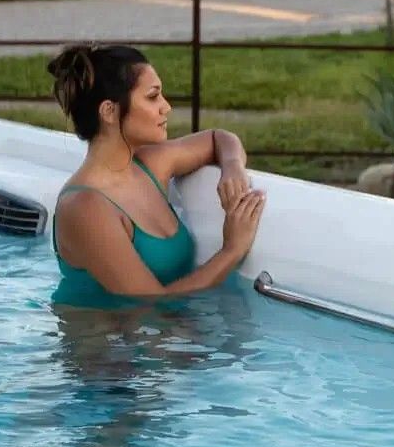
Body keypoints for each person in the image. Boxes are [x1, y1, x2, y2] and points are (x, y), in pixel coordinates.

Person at [47, 43, 264, 306]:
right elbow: (150, 304)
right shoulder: (85, 208)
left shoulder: (149, 165)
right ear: (109, 111)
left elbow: (219, 138)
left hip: (161, 339)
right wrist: (232, 250)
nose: (166, 107)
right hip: (104, 345)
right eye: (153, 97)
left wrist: (232, 168)